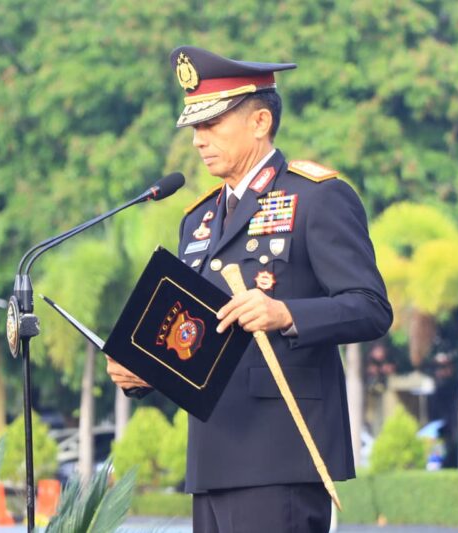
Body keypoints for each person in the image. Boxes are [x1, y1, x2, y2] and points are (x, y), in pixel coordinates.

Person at [106, 45, 392, 532]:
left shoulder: (317, 197)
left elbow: (370, 308)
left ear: (260, 122)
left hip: (281, 456)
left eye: (212, 124)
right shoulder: (197, 220)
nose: (198, 140)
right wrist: (146, 370)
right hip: (212, 455)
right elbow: (196, 337)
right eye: (195, 127)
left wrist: (287, 314)